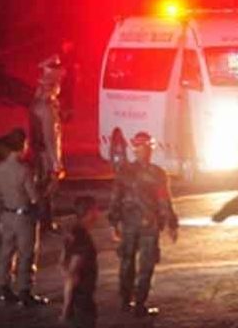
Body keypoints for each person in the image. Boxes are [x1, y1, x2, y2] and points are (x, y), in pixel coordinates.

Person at [108, 131, 179, 318]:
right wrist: (172, 223)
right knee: (144, 265)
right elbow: (164, 201)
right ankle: (139, 304)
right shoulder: (157, 173)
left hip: (131, 223)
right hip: (148, 224)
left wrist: (113, 222)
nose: (141, 150)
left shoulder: (125, 171)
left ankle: (126, 302)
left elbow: (115, 198)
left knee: (128, 262)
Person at [0, 129, 48, 307]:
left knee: (6, 252)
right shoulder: (24, 170)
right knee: (26, 254)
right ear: (23, 146)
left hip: (6, 215)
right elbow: (33, 196)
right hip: (23, 216)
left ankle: (4, 287)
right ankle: (25, 290)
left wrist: (0, 215)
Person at [29, 73, 65, 233]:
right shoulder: (47, 108)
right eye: (57, 84)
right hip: (46, 156)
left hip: (39, 154)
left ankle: (43, 221)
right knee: (48, 189)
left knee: (43, 188)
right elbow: (50, 137)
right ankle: (47, 223)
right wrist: (56, 164)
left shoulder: (37, 103)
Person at [60, 196, 100, 328]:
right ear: (90, 212)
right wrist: (66, 309)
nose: (98, 214)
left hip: (80, 299)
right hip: (81, 302)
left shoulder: (73, 233)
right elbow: (72, 274)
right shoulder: (82, 240)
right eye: (96, 210)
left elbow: (62, 263)